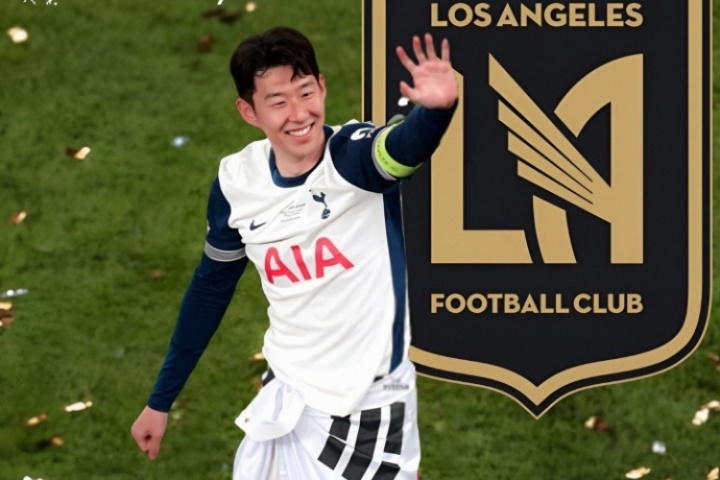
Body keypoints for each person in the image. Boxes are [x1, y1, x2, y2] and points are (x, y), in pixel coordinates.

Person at [131, 26, 457, 479]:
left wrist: (437, 111)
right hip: (289, 390)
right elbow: (210, 290)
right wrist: (160, 400)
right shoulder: (237, 183)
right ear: (249, 111)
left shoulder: (354, 161)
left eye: (306, 92)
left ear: (322, 87)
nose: (299, 113)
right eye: (278, 101)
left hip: (368, 403)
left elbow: (401, 147)